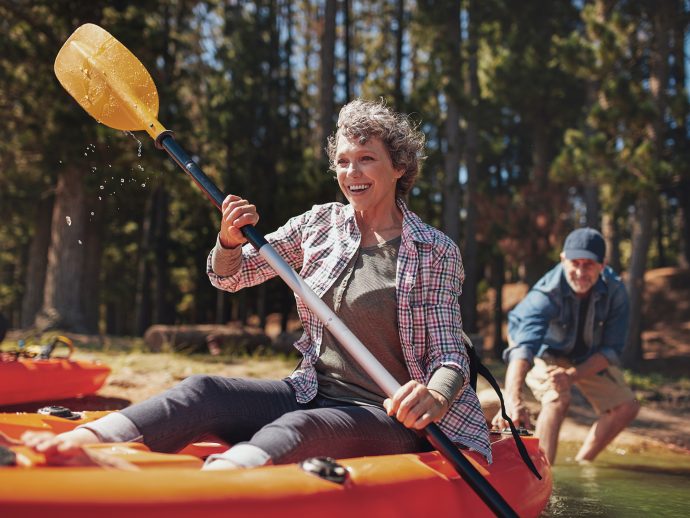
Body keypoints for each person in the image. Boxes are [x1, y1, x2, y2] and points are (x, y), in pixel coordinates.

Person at [22, 99, 491, 468]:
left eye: (367, 159)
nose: (352, 173)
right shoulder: (319, 225)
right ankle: (79, 444)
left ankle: (216, 487)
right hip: (312, 388)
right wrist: (227, 241)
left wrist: (433, 394)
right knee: (203, 389)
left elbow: (450, 354)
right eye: (344, 161)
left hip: (390, 414)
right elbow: (233, 276)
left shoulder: (433, 249)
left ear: (400, 167)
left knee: (301, 428)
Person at [492, 228, 640, 464]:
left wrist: (572, 375)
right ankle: (541, 472)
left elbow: (611, 350)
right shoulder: (546, 292)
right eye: (575, 263)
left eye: (588, 265)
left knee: (627, 406)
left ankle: (582, 463)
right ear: (563, 260)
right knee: (556, 397)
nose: (580, 272)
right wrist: (513, 400)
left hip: (584, 355)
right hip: (542, 349)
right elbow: (523, 348)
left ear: (603, 265)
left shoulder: (616, 291)